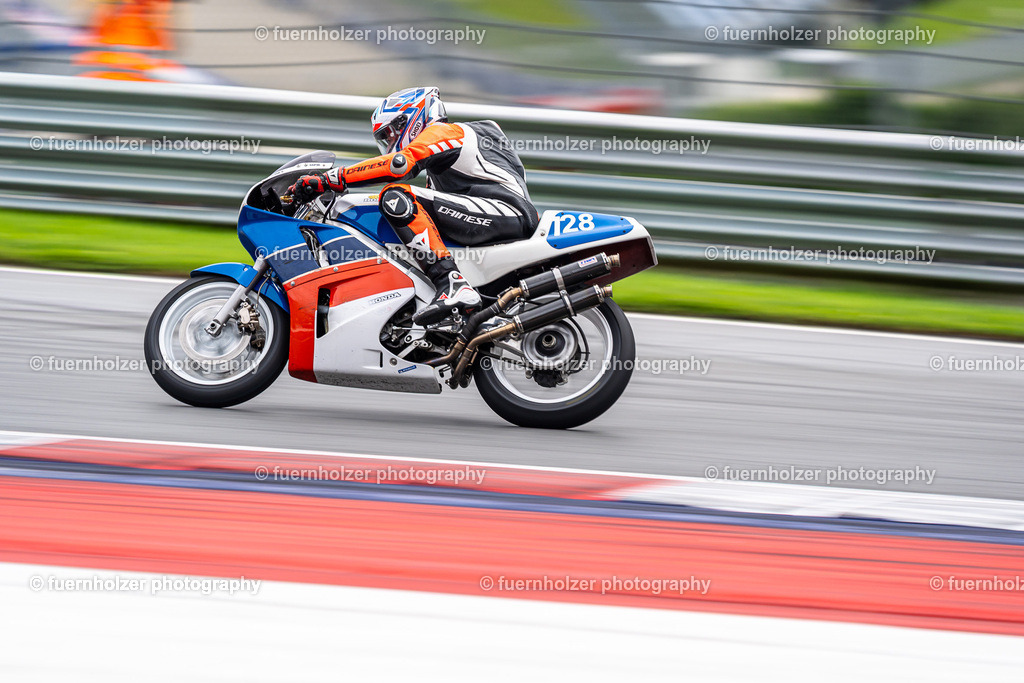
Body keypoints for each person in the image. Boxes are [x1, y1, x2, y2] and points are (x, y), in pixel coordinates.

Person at [289, 86, 539, 325]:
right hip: (497, 214)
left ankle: (451, 283)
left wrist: (329, 179)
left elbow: (398, 164)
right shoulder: (446, 168)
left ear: (412, 118)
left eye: (389, 134)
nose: (389, 142)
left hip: (504, 210)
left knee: (396, 196)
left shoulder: (449, 132)